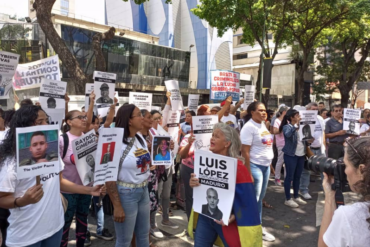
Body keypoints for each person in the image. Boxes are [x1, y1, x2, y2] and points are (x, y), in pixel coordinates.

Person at [0, 105, 104, 247]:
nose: (46, 125)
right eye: (39, 122)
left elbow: (59, 181)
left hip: (55, 227)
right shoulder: (11, 162)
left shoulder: (51, 153)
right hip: (26, 236)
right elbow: (2, 198)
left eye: (46, 120)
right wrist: (21, 201)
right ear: (24, 126)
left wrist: (89, 190)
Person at [189, 123, 262, 247]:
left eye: (216, 136)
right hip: (205, 216)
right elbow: (202, 190)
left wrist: (235, 215)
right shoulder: (205, 162)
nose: (212, 138)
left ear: (227, 143)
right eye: (212, 135)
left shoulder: (238, 167)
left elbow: (247, 200)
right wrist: (194, 183)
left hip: (226, 221)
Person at [106, 104, 151, 247]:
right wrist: (117, 206)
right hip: (126, 194)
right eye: (139, 115)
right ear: (129, 120)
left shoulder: (140, 138)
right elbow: (109, 176)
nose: (142, 118)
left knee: (143, 235)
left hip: (144, 191)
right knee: (124, 241)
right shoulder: (114, 142)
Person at [318, 137, 370, 247]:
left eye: (345, 165)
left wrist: (329, 195)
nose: (344, 171)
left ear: (362, 170)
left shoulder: (350, 216)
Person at [240, 101, 275, 242]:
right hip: (254, 166)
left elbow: (267, 147)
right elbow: (244, 151)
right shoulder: (248, 128)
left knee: (259, 199)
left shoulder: (262, 125)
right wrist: (248, 172)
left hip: (265, 166)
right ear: (252, 112)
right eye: (260, 110)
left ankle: (257, 226)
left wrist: (270, 164)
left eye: (264, 110)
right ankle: (250, 228)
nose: (264, 112)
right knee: (253, 199)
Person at [280, 109, 311, 208]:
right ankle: (288, 198)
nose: (299, 117)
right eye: (297, 115)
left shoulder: (302, 127)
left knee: (298, 176)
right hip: (291, 155)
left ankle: (296, 196)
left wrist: (309, 140)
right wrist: (296, 125)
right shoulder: (287, 127)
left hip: (301, 155)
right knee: (289, 177)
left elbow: (305, 140)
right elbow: (288, 134)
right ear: (291, 117)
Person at [300, 102, 325, 200]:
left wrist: (324, 146)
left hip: (320, 148)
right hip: (308, 149)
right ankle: (304, 190)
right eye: (313, 109)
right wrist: (307, 147)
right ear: (308, 110)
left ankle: (325, 190)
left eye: (316, 109)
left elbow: (323, 133)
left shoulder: (320, 119)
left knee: (324, 170)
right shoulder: (303, 119)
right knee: (306, 170)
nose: (315, 111)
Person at [272, 105, 289, 186]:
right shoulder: (277, 121)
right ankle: (277, 178)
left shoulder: (288, 121)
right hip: (281, 143)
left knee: (287, 162)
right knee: (280, 160)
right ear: (284, 112)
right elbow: (275, 131)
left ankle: (287, 178)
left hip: (288, 143)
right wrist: (282, 127)